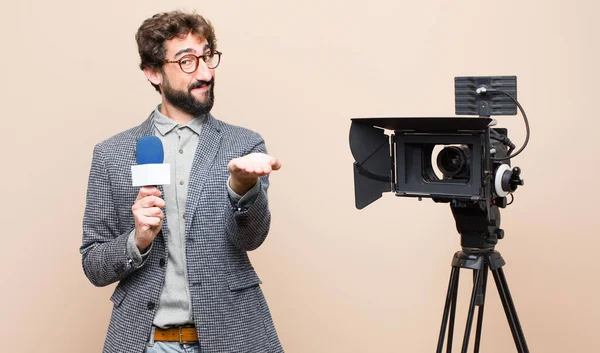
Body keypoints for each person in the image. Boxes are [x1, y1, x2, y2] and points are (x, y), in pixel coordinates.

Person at [80, 10, 284, 353]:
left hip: (234, 337)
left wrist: (242, 188)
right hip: (146, 342)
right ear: (153, 72)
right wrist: (137, 240)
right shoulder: (111, 154)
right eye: (187, 61)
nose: (205, 72)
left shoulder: (244, 146)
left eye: (207, 57)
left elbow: (252, 238)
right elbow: (93, 264)